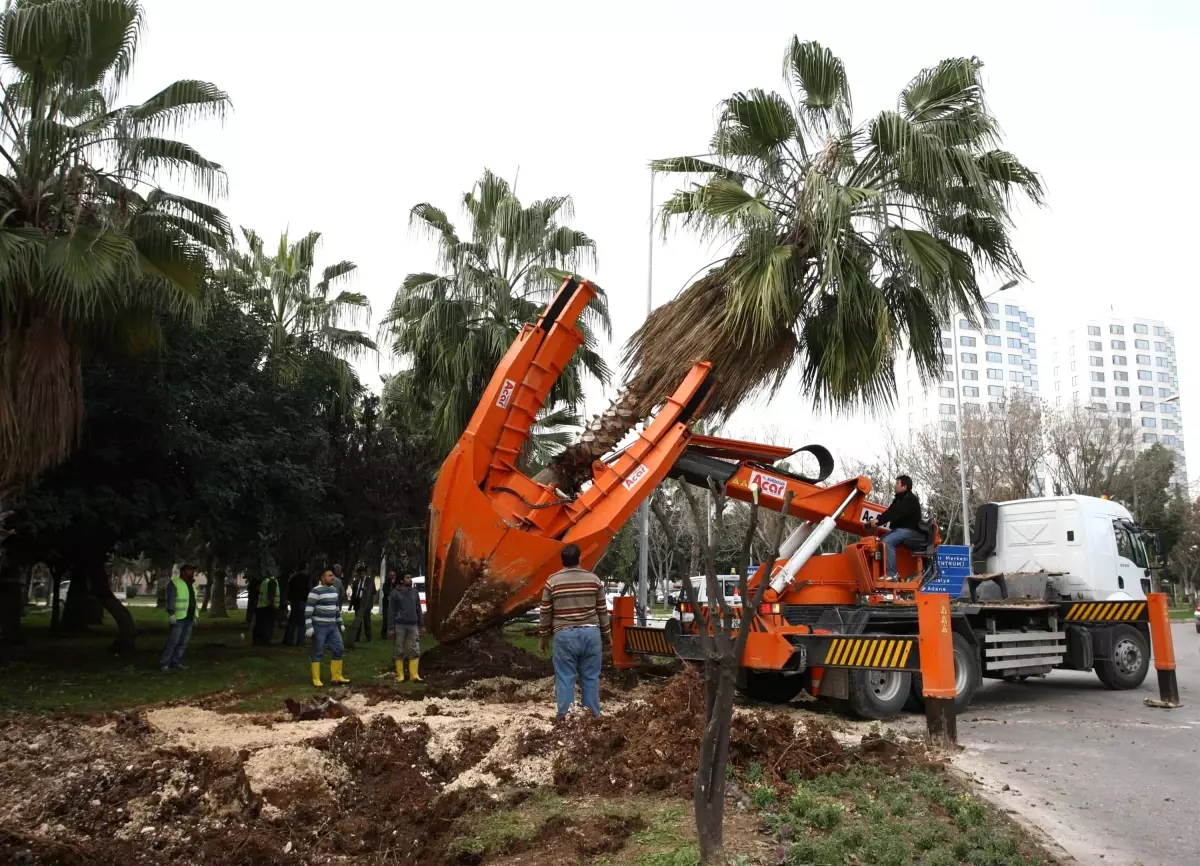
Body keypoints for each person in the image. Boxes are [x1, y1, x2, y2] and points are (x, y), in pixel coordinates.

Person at [538, 544, 610, 719]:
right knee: (591, 677)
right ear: (579, 558)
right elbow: (602, 610)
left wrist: (543, 637)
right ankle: (592, 717)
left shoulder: (552, 581)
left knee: (565, 677)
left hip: (564, 635)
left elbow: (545, 612)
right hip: (591, 635)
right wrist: (607, 635)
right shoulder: (594, 580)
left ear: (562, 560)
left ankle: (565, 717)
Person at [866, 474, 924, 579]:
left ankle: (892, 574)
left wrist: (878, 521)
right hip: (901, 530)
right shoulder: (898, 499)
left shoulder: (910, 499)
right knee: (880, 542)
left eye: (897, 483)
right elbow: (889, 511)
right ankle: (882, 572)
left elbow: (896, 513)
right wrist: (878, 520)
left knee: (887, 542)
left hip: (911, 530)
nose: (895, 485)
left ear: (904, 486)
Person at [305, 568, 350, 687]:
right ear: (322, 578)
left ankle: (336, 676)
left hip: (332, 626)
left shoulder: (335, 590)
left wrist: (341, 623)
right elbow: (308, 610)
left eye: (333, 575)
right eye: (329, 576)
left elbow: (336, 609)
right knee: (318, 650)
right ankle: (316, 679)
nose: (332, 577)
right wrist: (309, 627)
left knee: (339, 649)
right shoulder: (315, 591)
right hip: (319, 626)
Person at [160, 564, 198, 672]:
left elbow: (193, 602)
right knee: (173, 642)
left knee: (183, 643)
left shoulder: (192, 585)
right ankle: (165, 663)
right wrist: (171, 613)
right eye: (189, 570)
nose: (192, 572)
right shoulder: (175, 583)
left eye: (192, 570)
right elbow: (171, 599)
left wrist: (195, 616)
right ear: (183, 571)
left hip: (189, 617)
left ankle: (176, 662)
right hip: (178, 617)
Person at [388, 573, 423, 682]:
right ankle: (400, 676)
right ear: (402, 580)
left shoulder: (415, 592)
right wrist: (391, 628)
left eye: (410, 577)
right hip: (400, 625)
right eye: (407, 577)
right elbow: (391, 611)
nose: (410, 579)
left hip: (413, 624)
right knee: (399, 649)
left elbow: (418, 609)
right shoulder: (395, 593)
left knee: (415, 649)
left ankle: (414, 675)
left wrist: (421, 624)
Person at [283, 566, 310, 646]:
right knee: (302, 623)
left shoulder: (293, 578)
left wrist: (290, 599)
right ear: (304, 570)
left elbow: (289, 590)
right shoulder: (305, 579)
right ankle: (300, 641)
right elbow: (307, 591)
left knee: (292, 621)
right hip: (302, 601)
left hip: (294, 602)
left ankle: (288, 640)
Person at [349, 566, 376, 645]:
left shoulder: (369, 581)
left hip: (366, 603)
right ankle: (357, 638)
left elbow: (374, 592)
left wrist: (366, 590)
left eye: (363, 573)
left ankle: (369, 638)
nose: (362, 575)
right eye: (360, 573)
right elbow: (354, 594)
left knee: (367, 621)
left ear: (365, 573)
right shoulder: (356, 581)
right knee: (358, 621)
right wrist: (351, 605)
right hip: (357, 602)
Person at [253, 573, 279, 646]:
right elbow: (271, 594)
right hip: (268, 606)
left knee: (260, 624)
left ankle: (257, 640)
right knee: (267, 625)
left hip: (261, 606)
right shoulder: (272, 581)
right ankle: (266, 641)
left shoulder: (264, 581)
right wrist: (272, 605)